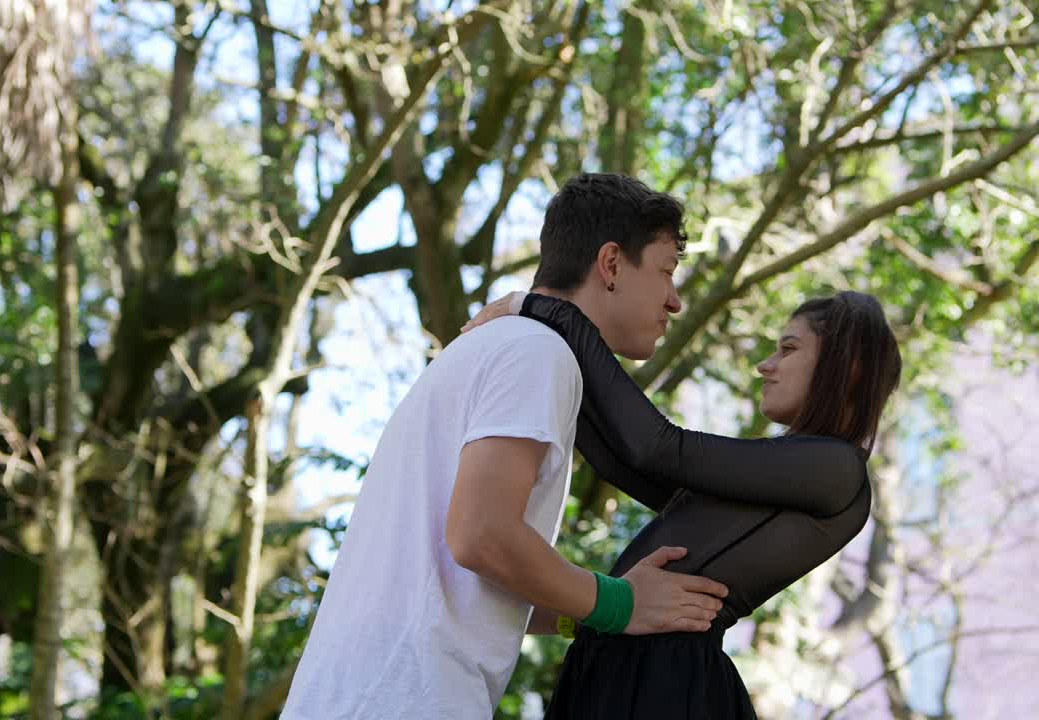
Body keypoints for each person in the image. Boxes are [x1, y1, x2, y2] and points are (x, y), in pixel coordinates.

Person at [281, 174, 729, 720]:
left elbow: (468, 578)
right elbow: (480, 535)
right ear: (611, 264)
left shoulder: (500, 347)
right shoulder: (538, 352)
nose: (675, 301)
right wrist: (620, 604)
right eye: (666, 271)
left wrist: (591, 608)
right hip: (401, 698)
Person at [462, 288, 902, 718]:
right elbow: (620, 461)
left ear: (851, 367)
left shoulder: (836, 467)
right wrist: (554, 349)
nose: (765, 366)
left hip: (666, 682)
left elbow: (656, 447)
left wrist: (544, 308)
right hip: (621, 668)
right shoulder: (791, 476)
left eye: (788, 349)